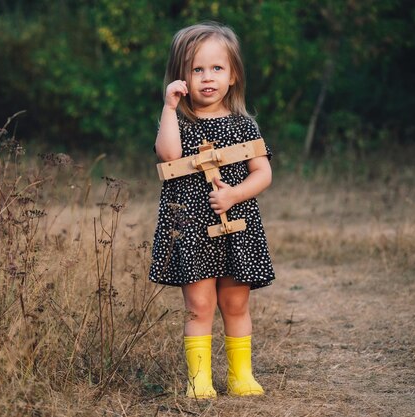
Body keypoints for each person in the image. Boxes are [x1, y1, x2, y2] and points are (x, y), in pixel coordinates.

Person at [149, 22, 275, 398]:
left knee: (235, 302)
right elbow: (169, 156)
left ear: (233, 75)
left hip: (236, 223)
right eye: (196, 69)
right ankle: (199, 379)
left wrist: (234, 195)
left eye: (217, 68)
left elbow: (263, 172)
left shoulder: (243, 124)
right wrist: (169, 108)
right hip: (190, 226)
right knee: (199, 305)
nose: (208, 78)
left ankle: (240, 375)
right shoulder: (178, 122)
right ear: (180, 77)